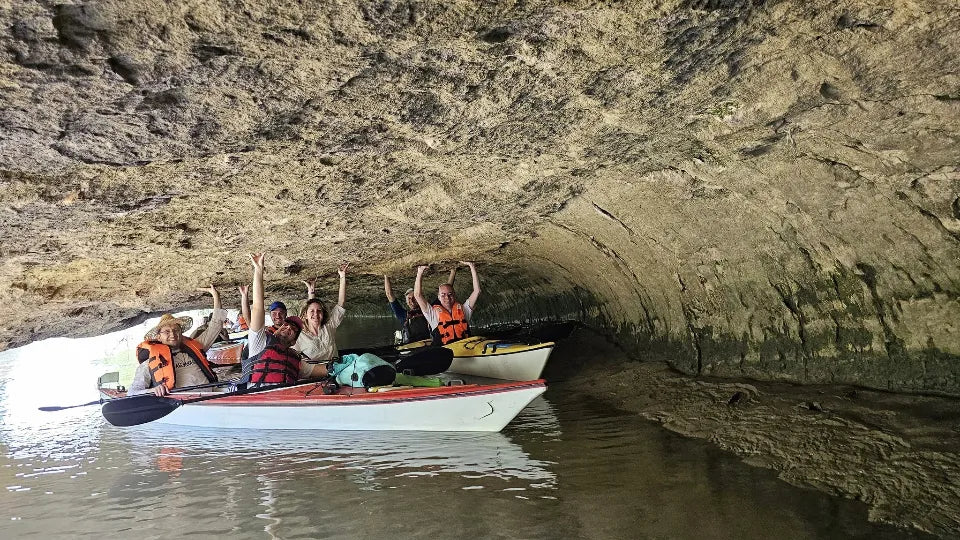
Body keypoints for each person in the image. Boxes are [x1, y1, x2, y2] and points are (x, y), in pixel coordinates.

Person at [243, 252, 328, 386]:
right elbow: (258, 309)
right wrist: (258, 270)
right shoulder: (259, 343)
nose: (288, 327)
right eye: (286, 325)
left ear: (294, 341)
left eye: (294, 329)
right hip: (258, 401)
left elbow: (323, 370)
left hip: (287, 401)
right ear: (276, 331)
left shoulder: (296, 360)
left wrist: (344, 365)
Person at [129, 285, 226, 397]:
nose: (173, 334)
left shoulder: (196, 347)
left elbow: (216, 325)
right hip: (184, 403)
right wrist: (153, 390)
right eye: (167, 331)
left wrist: (216, 295)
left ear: (181, 332)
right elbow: (133, 392)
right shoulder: (150, 363)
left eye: (176, 330)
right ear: (158, 337)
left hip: (212, 396)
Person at [413, 262, 481, 345]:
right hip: (445, 352)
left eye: (450, 294)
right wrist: (420, 271)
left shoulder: (463, 310)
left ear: (454, 295)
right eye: (443, 295)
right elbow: (417, 295)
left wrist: (472, 266)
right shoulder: (433, 314)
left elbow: (477, 291)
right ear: (438, 297)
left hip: (465, 349)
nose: (447, 298)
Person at [295, 264, 348, 362]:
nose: (316, 314)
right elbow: (294, 359)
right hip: (314, 374)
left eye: (319, 311)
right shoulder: (299, 335)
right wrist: (311, 293)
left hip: (334, 370)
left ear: (323, 314)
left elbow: (341, 303)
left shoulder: (329, 326)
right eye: (312, 311)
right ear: (305, 315)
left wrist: (342, 276)